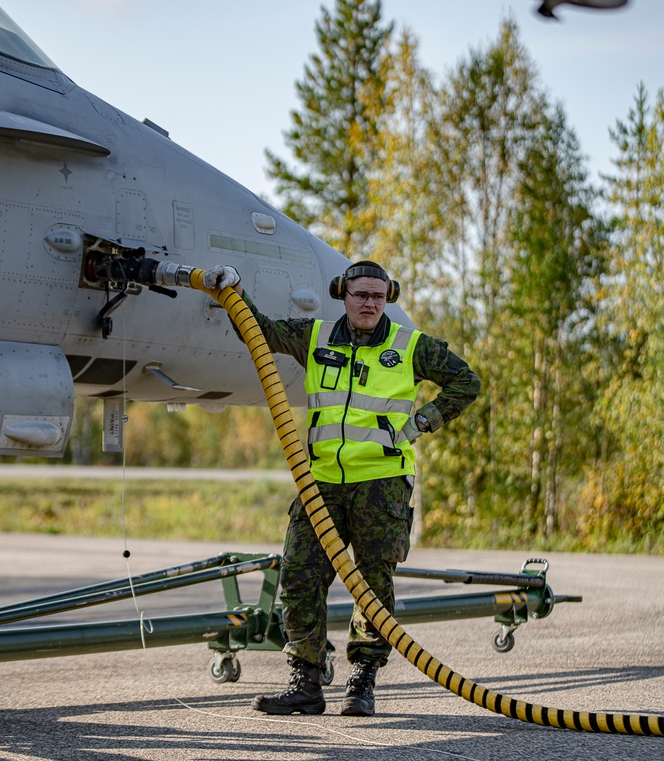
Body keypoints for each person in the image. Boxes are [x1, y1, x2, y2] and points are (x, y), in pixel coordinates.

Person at [203, 260, 481, 716]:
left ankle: (362, 682)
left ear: (387, 297)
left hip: (382, 485)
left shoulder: (408, 346)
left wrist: (423, 422)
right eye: (360, 294)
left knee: (373, 584)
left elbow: (466, 382)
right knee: (298, 577)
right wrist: (233, 289)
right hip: (323, 485)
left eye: (377, 295)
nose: (369, 303)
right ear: (343, 294)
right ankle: (306, 683)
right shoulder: (313, 337)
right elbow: (260, 330)